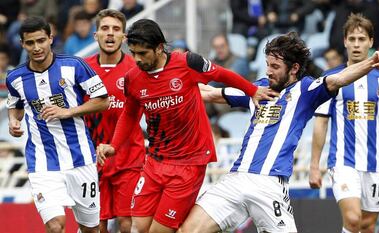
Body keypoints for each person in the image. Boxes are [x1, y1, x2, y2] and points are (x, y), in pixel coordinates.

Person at [178, 31, 379, 233]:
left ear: (294, 68)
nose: (268, 71)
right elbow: (211, 93)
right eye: (267, 65)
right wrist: (167, 82)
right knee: (188, 229)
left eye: (275, 66)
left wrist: (370, 62)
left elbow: (339, 79)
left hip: (269, 185)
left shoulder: (306, 91)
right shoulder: (258, 89)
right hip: (236, 179)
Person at [96, 18, 276, 233]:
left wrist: (252, 91)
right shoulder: (132, 78)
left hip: (189, 163)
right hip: (155, 161)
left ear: (159, 48)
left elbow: (222, 74)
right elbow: (129, 114)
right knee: (138, 227)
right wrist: (114, 145)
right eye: (133, 53)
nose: (136, 59)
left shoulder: (188, 63)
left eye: (142, 53)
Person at [309, 13, 379, 233]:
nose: (357, 44)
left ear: (371, 42)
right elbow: (320, 122)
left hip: (374, 164)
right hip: (342, 162)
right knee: (353, 218)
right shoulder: (331, 79)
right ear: (345, 41)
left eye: (362, 39)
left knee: (367, 226)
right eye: (352, 39)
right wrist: (314, 166)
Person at [6, 16, 109, 233]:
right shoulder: (15, 77)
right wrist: (14, 121)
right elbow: (15, 105)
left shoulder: (75, 66)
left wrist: (68, 111)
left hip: (80, 158)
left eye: (41, 40)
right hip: (42, 161)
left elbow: (103, 100)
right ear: (23, 44)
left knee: (91, 228)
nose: (37, 47)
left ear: (51, 38)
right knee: (55, 226)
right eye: (30, 43)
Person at [83, 9, 144, 233]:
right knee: (97, 224)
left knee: (127, 222)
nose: (110, 34)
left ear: (124, 37)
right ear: (95, 35)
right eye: (105, 29)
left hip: (129, 158)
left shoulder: (136, 69)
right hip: (93, 160)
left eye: (116, 29)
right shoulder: (82, 70)